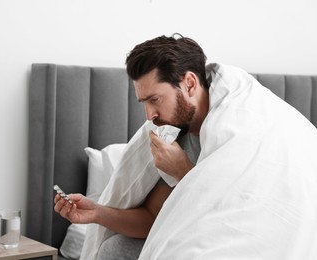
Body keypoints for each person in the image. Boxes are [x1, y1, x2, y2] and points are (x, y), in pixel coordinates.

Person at [56, 34, 317, 259]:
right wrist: (97, 213)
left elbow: (249, 210)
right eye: (143, 103)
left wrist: (183, 171)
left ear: (189, 83)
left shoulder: (244, 123)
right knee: (114, 249)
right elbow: (153, 218)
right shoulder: (174, 137)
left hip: (266, 236)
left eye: (154, 99)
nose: (149, 115)